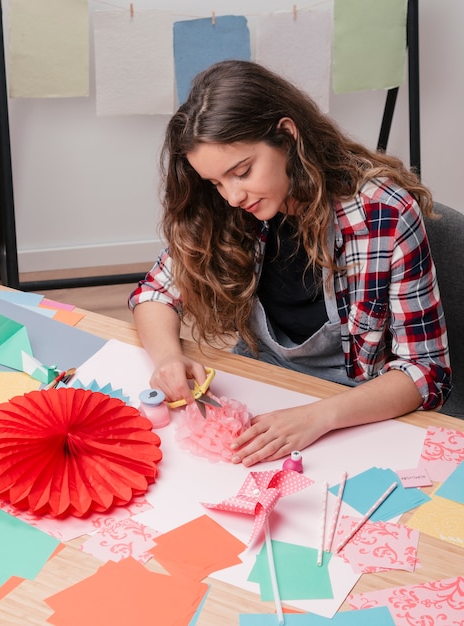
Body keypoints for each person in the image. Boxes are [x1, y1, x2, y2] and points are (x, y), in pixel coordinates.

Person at [129, 60, 452, 467]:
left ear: (287, 136)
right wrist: (168, 359)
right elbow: (156, 292)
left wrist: (317, 417)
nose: (232, 196)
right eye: (216, 182)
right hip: (264, 382)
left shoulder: (382, 214)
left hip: (353, 405)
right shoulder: (229, 208)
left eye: (242, 172)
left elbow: (425, 372)